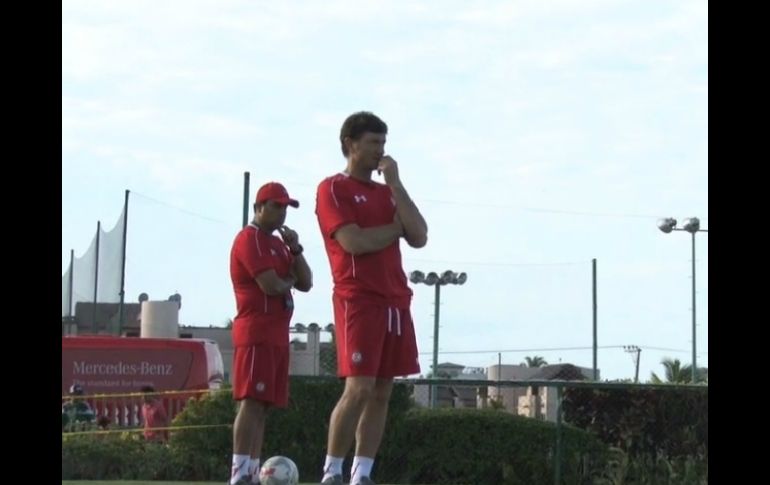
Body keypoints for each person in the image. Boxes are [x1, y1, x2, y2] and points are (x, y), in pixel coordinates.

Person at [315, 111, 428, 485]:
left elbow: (419, 235)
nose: (380, 150)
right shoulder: (333, 188)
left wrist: (396, 184)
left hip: (395, 300)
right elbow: (354, 242)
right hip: (358, 299)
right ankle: (332, 470)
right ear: (351, 144)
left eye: (383, 143)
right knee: (359, 388)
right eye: (373, 143)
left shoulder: (387, 193)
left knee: (381, 392)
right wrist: (395, 229)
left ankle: (361, 473)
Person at [228, 181, 313, 485]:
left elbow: (306, 281)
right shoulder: (249, 239)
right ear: (259, 207)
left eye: (285, 208)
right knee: (251, 401)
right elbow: (272, 285)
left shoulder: (278, 243)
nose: (281, 213)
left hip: (277, 334)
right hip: (257, 332)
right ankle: (239, 472)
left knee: (263, 406)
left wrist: (295, 250)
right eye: (276, 206)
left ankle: (251, 470)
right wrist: (288, 279)